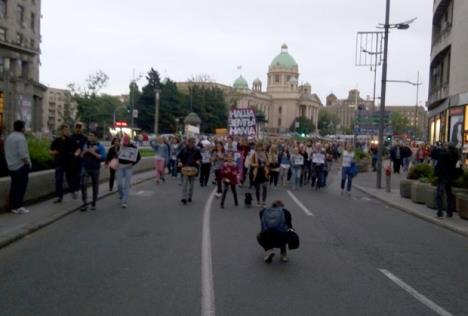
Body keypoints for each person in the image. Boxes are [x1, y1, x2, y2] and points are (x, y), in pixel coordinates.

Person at [5, 120, 31, 214]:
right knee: (21, 187)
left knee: (14, 187)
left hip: (11, 165)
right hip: (20, 166)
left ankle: (12, 207)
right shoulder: (21, 138)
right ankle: (18, 206)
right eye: (24, 127)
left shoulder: (9, 137)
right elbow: (22, 154)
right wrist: (27, 163)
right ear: (22, 128)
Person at [49, 124, 80, 203]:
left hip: (69, 163)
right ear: (61, 131)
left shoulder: (71, 140)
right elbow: (50, 151)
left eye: (67, 130)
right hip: (59, 163)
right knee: (58, 179)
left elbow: (78, 149)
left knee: (70, 179)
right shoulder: (57, 141)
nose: (67, 131)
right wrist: (54, 152)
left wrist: (76, 154)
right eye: (65, 130)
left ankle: (73, 192)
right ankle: (59, 197)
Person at [80, 131, 106, 211]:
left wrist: (93, 152)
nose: (90, 137)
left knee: (95, 186)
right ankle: (84, 203)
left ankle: (93, 203)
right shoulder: (86, 145)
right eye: (89, 135)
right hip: (86, 168)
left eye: (92, 135)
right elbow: (81, 156)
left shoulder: (100, 146)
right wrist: (85, 151)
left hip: (95, 169)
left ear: (96, 137)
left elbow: (103, 157)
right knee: (83, 184)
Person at [431, 143, 459, 218]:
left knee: (439, 194)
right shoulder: (455, 155)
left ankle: (440, 212)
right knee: (449, 194)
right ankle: (449, 212)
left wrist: (436, 148)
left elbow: (433, 154)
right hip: (450, 177)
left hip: (443, 176)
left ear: (448, 148)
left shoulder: (444, 155)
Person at [116, 135, 141, 208]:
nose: (126, 143)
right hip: (120, 166)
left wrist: (133, 163)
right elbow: (115, 156)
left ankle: (125, 201)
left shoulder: (134, 147)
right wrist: (118, 152)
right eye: (124, 141)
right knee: (119, 184)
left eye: (127, 141)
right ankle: (121, 195)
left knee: (126, 185)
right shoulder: (120, 146)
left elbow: (138, 157)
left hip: (128, 167)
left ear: (129, 140)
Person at [177, 138, 202, 205]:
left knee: (191, 185)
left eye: (193, 143)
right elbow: (179, 157)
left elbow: (200, 158)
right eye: (190, 143)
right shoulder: (184, 149)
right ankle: (183, 198)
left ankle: (190, 196)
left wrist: (198, 161)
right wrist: (179, 162)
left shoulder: (197, 150)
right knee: (184, 184)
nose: (191, 144)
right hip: (185, 168)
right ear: (188, 143)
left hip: (193, 169)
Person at [70, 123, 88, 195]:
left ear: (82, 129)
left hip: (81, 159)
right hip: (73, 158)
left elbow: (86, 147)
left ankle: (77, 188)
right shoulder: (72, 137)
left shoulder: (84, 138)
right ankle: (73, 188)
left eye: (80, 127)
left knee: (79, 174)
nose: (78, 129)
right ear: (75, 128)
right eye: (77, 127)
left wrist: (82, 152)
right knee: (72, 174)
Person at [251, 142, 270, 207]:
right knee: (258, 188)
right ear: (256, 148)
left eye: (260, 146)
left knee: (265, 187)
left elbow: (268, 163)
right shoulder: (254, 154)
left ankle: (264, 202)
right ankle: (258, 201)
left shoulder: (265, 154)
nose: (259, 148)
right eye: (258, 147)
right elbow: (251, 164)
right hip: (257, 172)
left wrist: (265, 162)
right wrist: (256, 164)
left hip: (264, 171)